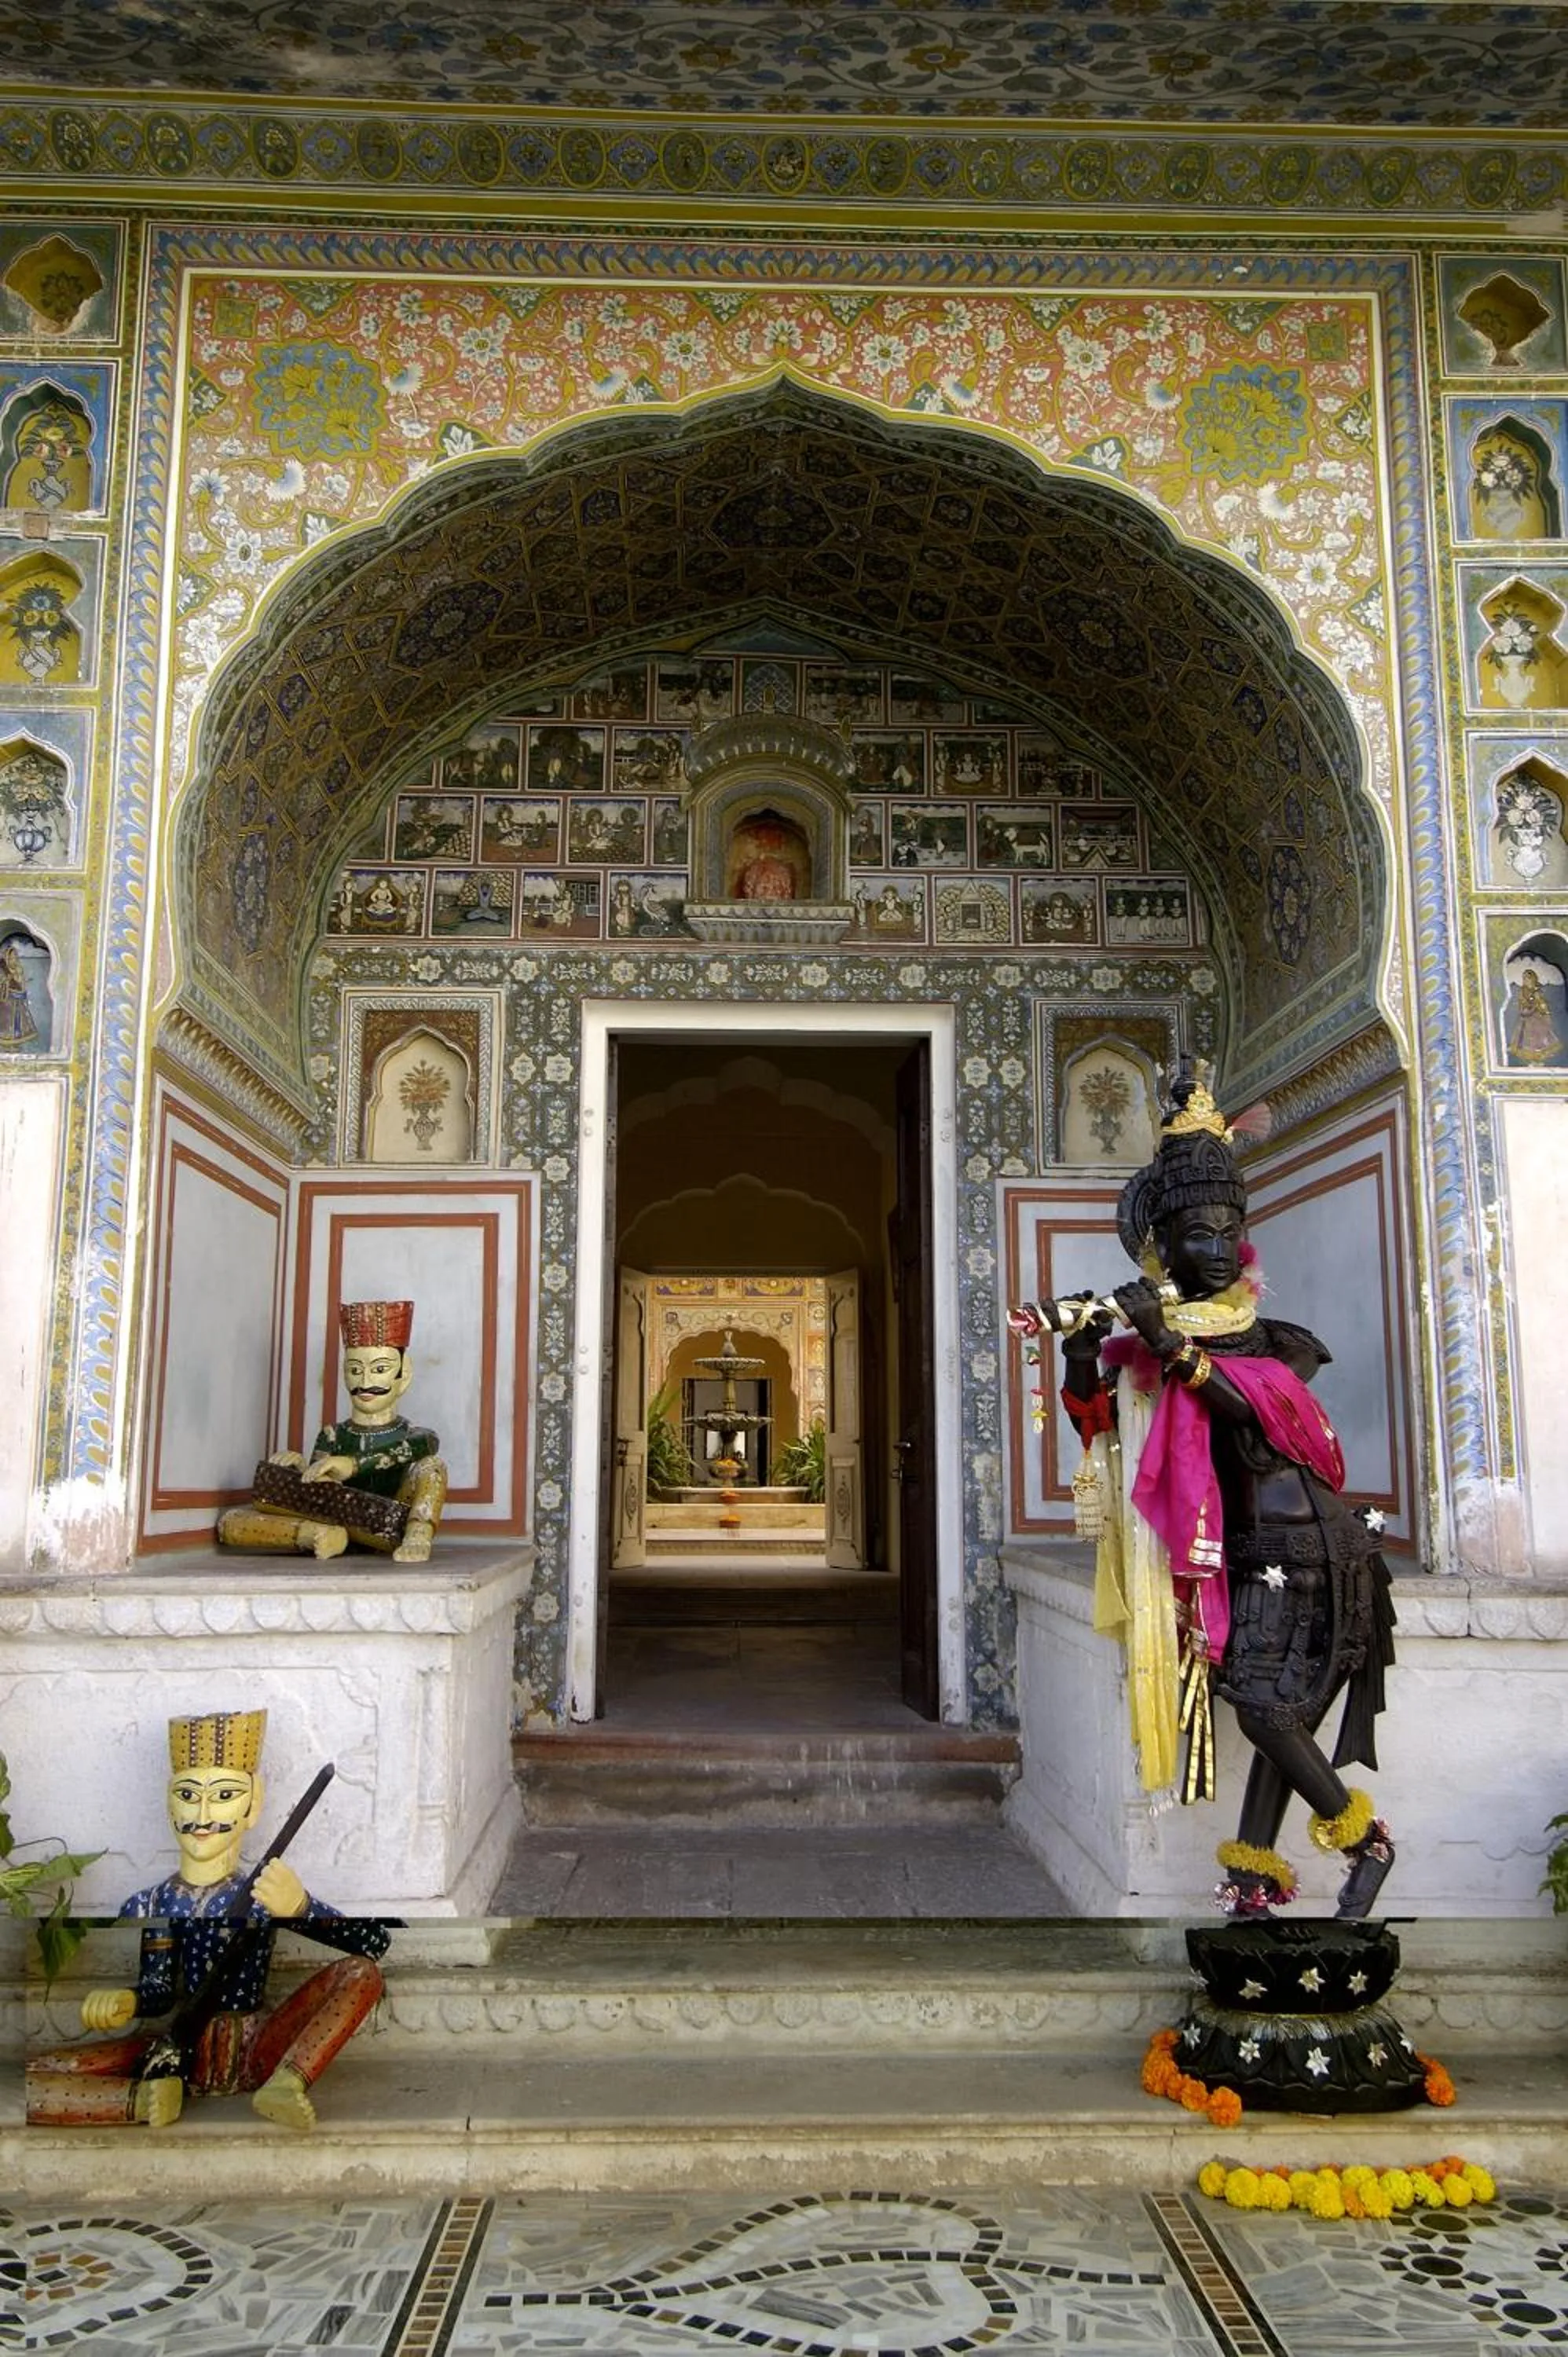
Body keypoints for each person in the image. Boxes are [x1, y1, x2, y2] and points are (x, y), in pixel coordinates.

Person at [1008, 1072, 1396, 1919]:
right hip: (1241, 1555)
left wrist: (1158, 1335)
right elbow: (1104, 1427)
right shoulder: (1153, 1340)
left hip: (1317, 1549)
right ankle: (1254, 1876)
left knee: (1264, 1711)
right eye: (1195, 1234)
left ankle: (1362, 1838)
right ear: (1162, 1245)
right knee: (1271, 1708)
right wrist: (1084, 1343)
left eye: (1228, 1233)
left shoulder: (1276, 1341)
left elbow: (1253, 1409)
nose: (1215, 1249)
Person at [25, 1710, 388, 2132]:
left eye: (224, 1795)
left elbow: (373, 1941)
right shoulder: (152, 1903)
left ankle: (288, 2082)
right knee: (34, 2070)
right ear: (169, 1802)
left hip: (258, 2046)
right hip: (182, 2047)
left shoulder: (264, 1896)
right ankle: (144, 2100)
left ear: (253, 1805)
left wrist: (303, 1907)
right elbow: (159, 1990)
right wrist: (128, 2001)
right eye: (187, 1795)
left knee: (362, 1973)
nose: (201, 1815)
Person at [217, 1299, 446, 1563]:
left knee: (432, 1466)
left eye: (380, 1369)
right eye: (355, 1370)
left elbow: (426, 1447)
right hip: (342, 1523)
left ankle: (418, 1535)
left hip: (392, 1527)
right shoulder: (332, 1435)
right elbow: (322, 1496)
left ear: (403, 1375)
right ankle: (319, 1535)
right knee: (232, 1521)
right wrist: (299, 1471)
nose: (365, 1382)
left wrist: (352, 1464)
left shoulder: (416, 1436)